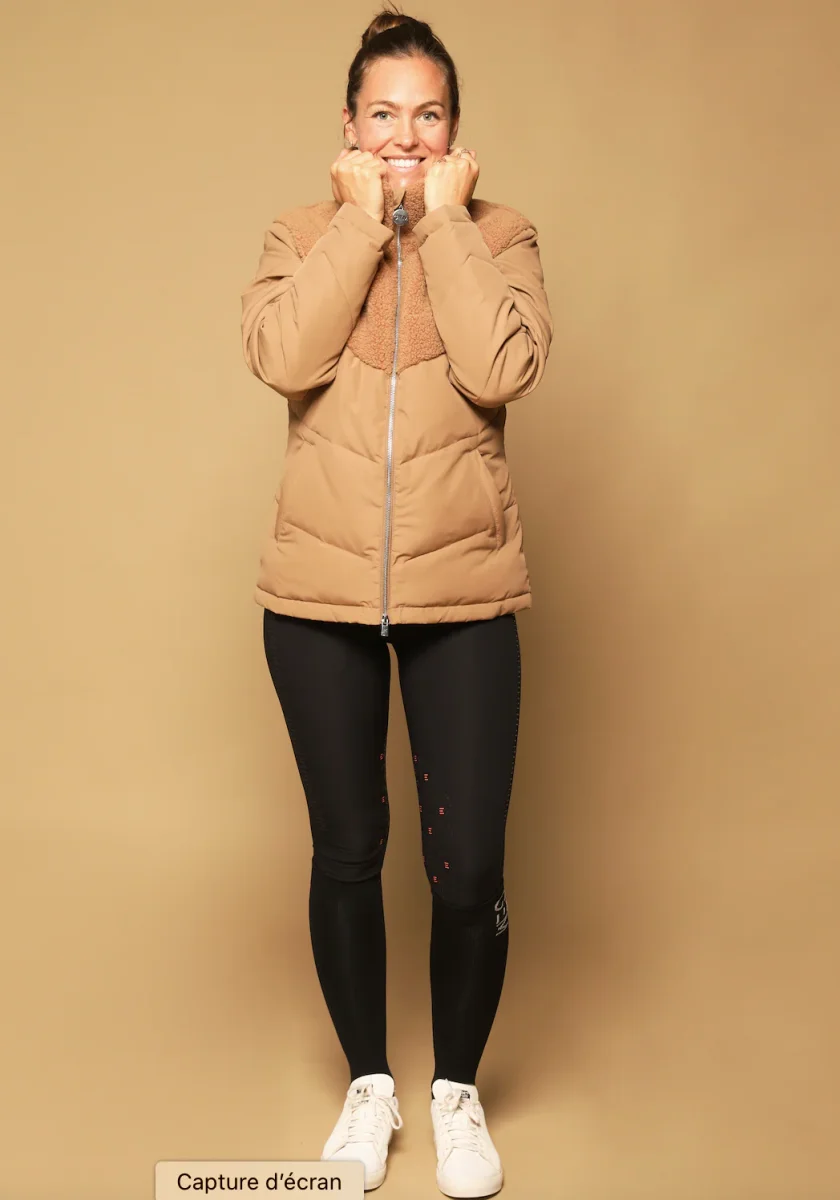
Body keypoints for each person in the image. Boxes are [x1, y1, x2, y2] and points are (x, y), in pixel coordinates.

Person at [240, 6, 553, 1196]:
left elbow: (501, 368)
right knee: (347, 853)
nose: (405, 137)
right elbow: (282, 357)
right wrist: (363, 224)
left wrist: (451, 225)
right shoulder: (300, 233)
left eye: (428, 115)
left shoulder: (504, 234)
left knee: (466, 870)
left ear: (456, 131)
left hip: (463, 594)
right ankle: (368, 1085)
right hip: (314, 596)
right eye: (384, 114)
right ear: (349, 125)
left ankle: (456, 1092)